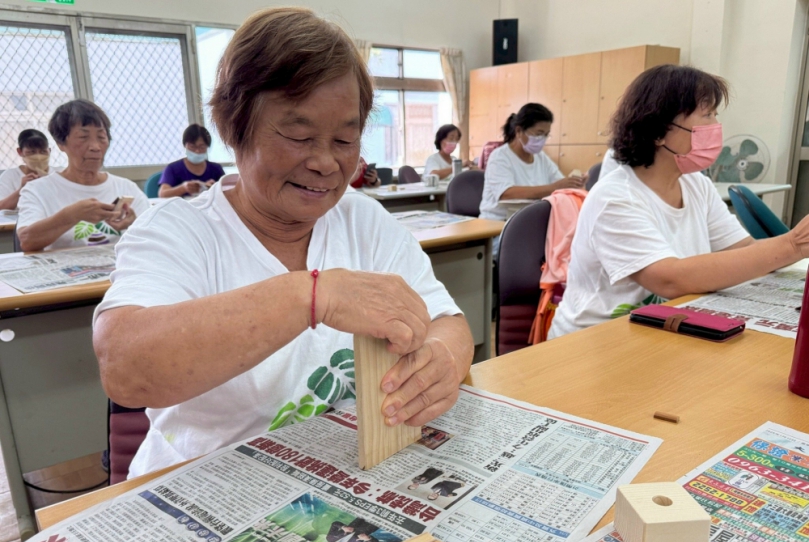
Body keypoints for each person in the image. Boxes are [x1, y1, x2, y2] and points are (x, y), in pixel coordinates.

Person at [93, 7, 474, 479]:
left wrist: (442, 363)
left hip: (341, 473)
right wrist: (313, 295)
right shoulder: (176, 229)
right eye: (298, 135)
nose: (325, 162)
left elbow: (447, 321)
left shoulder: (362, 219)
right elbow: (126, 368)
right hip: (209, 483)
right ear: (233, 127)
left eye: (344, 139)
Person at [549, 64, 809, 339]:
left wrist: (787, 250)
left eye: (715, 114)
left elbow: (744, 249)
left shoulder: (696, 184)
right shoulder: (614, 197)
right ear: (657, 132)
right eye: (706, 115)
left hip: (664, 329)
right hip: (593, 343)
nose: (715, 126)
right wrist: (792, 244)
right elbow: (669, 279)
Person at [17, 101, 149, 251]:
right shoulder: (38, 190)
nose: (95, 147)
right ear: (61, 143)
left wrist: (133, 223)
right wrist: (72, 215)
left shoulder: (126, 187)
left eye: (101, 137)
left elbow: (157, 235)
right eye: (83, 137)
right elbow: (27, 241)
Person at [480, 103, 586, 221]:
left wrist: (574, 183)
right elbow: (506, 193)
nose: (543, 139)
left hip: (530, 221)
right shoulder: (500, 157)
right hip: (498, 224)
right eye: (539, 133)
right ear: (519, 131)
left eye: (546, 135)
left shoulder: (541, 158)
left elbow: (560, 184)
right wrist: (554, 187)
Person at [158, 124, 225, 198]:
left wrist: (214, 188)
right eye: (192, 146)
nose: (197, 151)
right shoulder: (173, 168)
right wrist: (184, 188)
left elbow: (227, 191)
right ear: (185, 145)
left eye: (202, 147)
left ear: (207, 146)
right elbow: (163, 194)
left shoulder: (216, 168)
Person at [0, 129, 59, 211]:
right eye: (31, 152)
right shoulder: (10, 176)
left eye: (43, 152)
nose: (38, 156)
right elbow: (1, 207)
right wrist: (22, 189)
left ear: (49, 150)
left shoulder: (60, 173)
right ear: (20, 152)